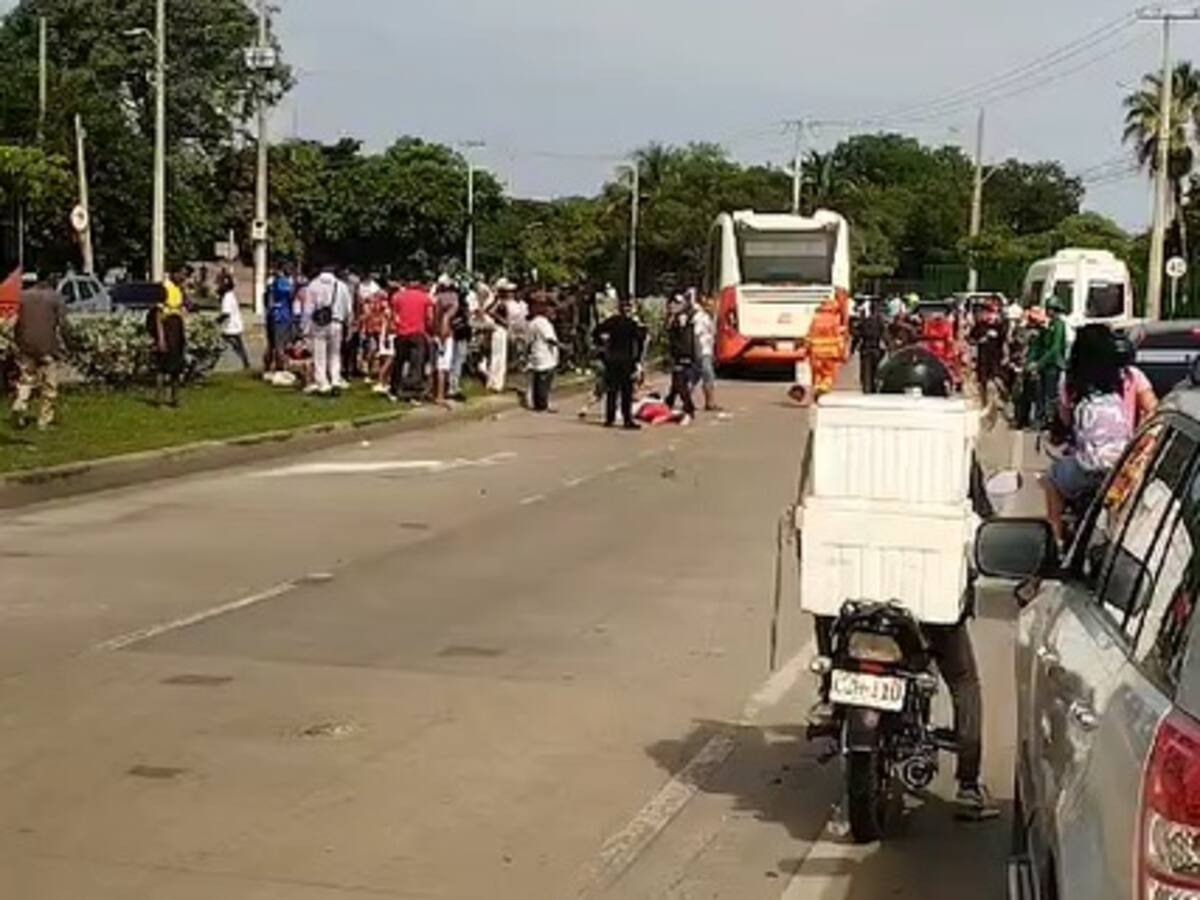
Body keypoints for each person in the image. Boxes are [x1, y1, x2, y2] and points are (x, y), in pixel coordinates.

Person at [832, 346, 997, 821]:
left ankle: (829, 696)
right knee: (963, 679)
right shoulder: (952, 448)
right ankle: (968, 785)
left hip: (856, 590)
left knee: (832, 625)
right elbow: (981, 513)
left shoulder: (856, 442)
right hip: (930, 599)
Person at [1043, 324, 1132, 546]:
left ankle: (1055, 538)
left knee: (1052, 478)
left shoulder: (1072, 382)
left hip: (1089, 467)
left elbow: (1066, 420)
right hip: (1121, 466)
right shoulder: (1121, 380)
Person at [10, 274, 67, 430]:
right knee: (49, 384)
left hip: (25, 346)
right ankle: (44, 420)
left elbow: (13, 322)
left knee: (26, 379)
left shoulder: (21, 297)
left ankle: (20, 404)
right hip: (47, 347)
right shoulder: (55, 297)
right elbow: (63, 324)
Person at [594, 297, 647, 429]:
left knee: (612, 390)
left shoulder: (612, 321)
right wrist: (638, 360)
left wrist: (602, 347)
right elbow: (641, 341)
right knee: (626, 392)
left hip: (612, 360)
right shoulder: (632, 324)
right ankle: (627, 420)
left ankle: (609, 419)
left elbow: (596, 331)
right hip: (627, 361)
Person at [304, 265, 352, 395]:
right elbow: (348, 309)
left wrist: (305, 329)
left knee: (319, 355)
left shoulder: (313, 285)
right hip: (337, 323)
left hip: (319, 323)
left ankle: (323, 383)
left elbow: (308, 310)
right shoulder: (341, 286)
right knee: (335, 354)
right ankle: (335, 380)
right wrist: (349, 325)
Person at [390, 279, 433, 401]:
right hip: (417, 333)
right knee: (416, 363)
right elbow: (429, 317)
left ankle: (395, 388)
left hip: (402, 333)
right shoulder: (425, 297)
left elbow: (394, 316)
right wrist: (430, 330)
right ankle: (411, 390)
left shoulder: (397, 297)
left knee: (399, 361)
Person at [148, 277, 188, 407]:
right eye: (181, 274)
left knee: (176, 367)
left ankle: (175, 398)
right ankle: (159, 400)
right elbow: (158, 316)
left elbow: (181, 311)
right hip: (167, 329)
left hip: (177, 330)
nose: (183, 277)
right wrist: (161, 339)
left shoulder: (178, 289)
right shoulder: (164, 288)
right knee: (162, 367)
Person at [1028, 298, 1067, 427]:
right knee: (1040, 393)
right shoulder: (1048, 325)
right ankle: (1040, 418)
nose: (1048, 311)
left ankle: (1051, 420)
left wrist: (1039, 363)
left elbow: (1055, 349)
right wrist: (1034, 362)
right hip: (1045, 364)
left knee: (1051, 394)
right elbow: (1039, 345)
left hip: (1053, 364)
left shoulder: (1059, 325)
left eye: (1050, 309)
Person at [662, 295, 697, 423]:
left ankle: (689, 409)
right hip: (676, 354)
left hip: (682, 355)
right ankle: (668, 402)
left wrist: (685, 355)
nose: (672, 306)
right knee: (676, 383)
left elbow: (685, 338)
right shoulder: (672, 318)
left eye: (676, 304)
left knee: (680, 383)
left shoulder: (682, 318)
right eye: (671, 304)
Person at [1115, 332, 1158, 430]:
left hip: (1128, 440)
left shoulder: (1135, 376)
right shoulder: (1093, 379)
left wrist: (1144, 435)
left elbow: (1152, 408)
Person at [969, 302, 1006, 404]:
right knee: (982, 381)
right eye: (984, 313)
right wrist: (980, 340)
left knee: (995, 380)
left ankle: (1000, 399)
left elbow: (1004, 340)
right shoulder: (979, 325)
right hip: (982, 358)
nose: (987, 315)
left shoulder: (999, 325)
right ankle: (984, 402)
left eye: (990, 312)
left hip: (995, 358)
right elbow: (971, 339)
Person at [527, 299, 560, 412]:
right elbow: (550, 339)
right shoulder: (543, 322)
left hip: (537, 353)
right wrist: (563, 346)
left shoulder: (532, 322)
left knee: (538, 379)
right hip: (545, 355)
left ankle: (538, 403)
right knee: (544, 381)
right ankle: (542, 404)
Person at [692, 295, 720, 411]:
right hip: (702, 351)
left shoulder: (710, 317)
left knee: (695, 378)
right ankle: (710, 403)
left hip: (707, 350)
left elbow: (712, 336)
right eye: (709, 304)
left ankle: (679, 398)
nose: (712, 306)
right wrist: (697, 352)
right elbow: (696, 335)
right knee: (708, 376)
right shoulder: (700, 317)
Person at [265, 265, 295, 373]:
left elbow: (268, 301)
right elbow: (290, 297)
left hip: (273, 315)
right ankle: (280, 369)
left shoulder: (271, 283)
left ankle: (269, 368)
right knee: (280, 345)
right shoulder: (283, 282)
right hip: (282, 316)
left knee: (272, 344)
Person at [217, 273, 251, 370]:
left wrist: (216, 322)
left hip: (231, 326)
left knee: (226, 344)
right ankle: (245, 362)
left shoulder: (227, 297)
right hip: (234, 325)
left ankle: (244, 362)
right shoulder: (230, 295)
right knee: (238, 345)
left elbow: (226, 314)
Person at [856, 301, 886, 394]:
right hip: (875, 348)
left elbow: (858, 334)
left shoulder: (865, 321)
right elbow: (884, 335)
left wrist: (852, 348)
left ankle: (866, 388)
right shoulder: (880, 322)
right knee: (875, 369)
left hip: (865, 347)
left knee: (865, 370)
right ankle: (874, 387)